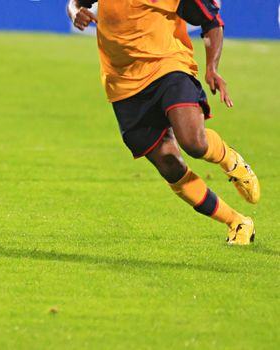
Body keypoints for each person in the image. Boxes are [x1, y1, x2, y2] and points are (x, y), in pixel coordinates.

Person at [67, 0, 260, 244]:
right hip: (123, 84)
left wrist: (212, 67)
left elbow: (211, 20)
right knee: (170, 164)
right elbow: (75, 2)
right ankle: (236, 221)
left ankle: (228, 159)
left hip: (169, 66)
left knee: (193, 142)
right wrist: (75, 12)